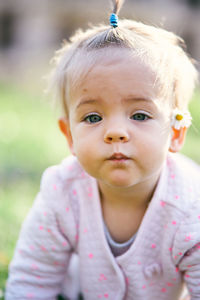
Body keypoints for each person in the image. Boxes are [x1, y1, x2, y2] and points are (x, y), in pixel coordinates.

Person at [5, 0, 200, 299]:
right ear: (69, 135)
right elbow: (32, 279)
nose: (116, 132)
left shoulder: (191, 208)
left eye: (139, 115)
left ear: (175, 132)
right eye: (93, 117)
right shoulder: (62, 192)